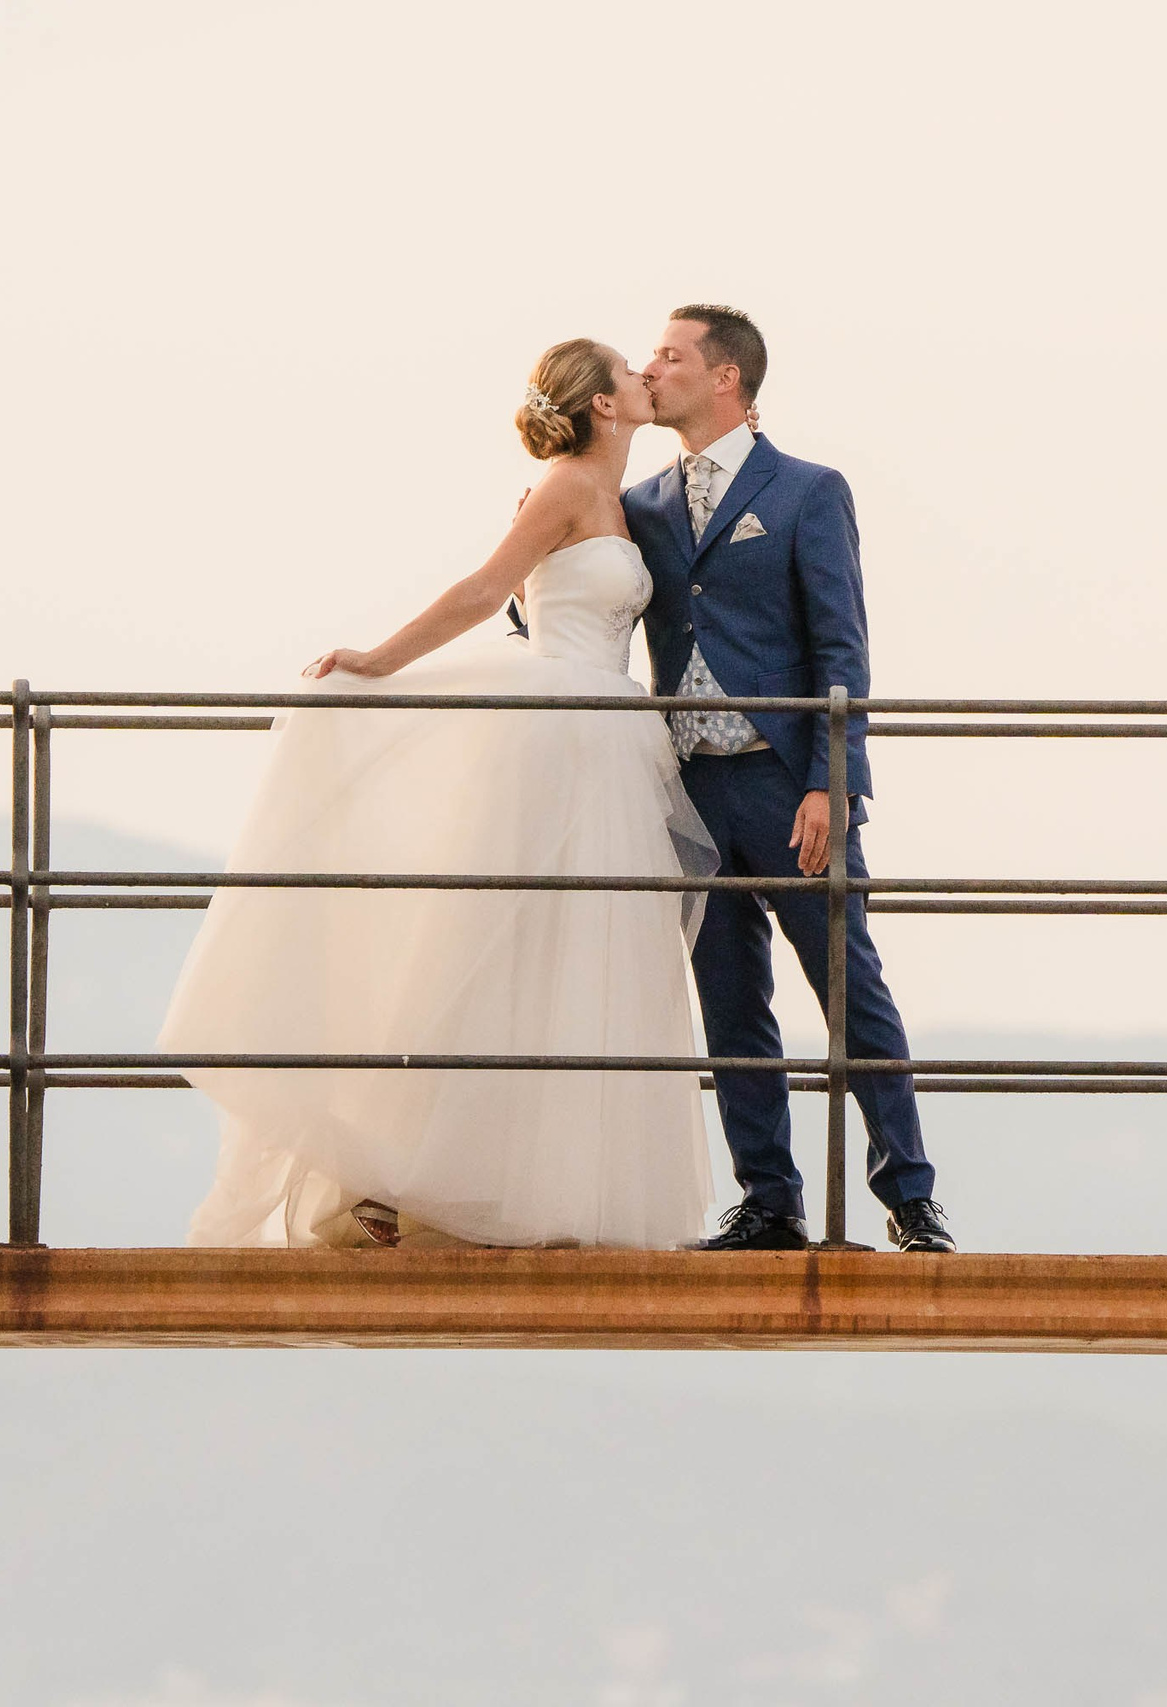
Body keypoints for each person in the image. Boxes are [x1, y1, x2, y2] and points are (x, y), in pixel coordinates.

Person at [159, 339, 714, 1250]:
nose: (646, 376)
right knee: (491, 953)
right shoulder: (570, 486)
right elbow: (484, 589)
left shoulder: (614, 496)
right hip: (557, 735)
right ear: (605, 405)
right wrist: (378, 660)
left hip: (608, 740)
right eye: (630, 368)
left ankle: (539, 1187)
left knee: (575, 961)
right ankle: (390, 1169)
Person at [626, 305, 955, 1254]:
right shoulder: (641, 504)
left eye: (670, 356)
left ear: (726, 378)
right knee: (731, 1002)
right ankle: (769, 1198)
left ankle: (911, 1193)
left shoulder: (809, 490)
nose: (654, 369)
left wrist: (831, 782)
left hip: (789, 778)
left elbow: (841, 644)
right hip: (692, 790)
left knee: (850, 988)